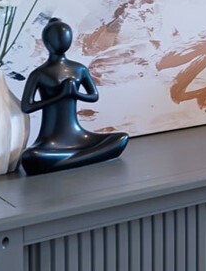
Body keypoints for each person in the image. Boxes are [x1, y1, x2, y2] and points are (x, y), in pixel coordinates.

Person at [19, 17, 128, 175]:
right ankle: (77, 159)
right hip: (50, 141)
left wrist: (75, 93)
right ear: (47, 42)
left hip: (79, 136)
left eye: (64, 38)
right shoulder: (39, 73)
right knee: (31, 157)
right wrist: (62, 95)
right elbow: (27, 106)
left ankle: (67, 161)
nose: (61, 42)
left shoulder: (79, 69)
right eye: (56, 38)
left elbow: (93, 96)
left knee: (120, 139)